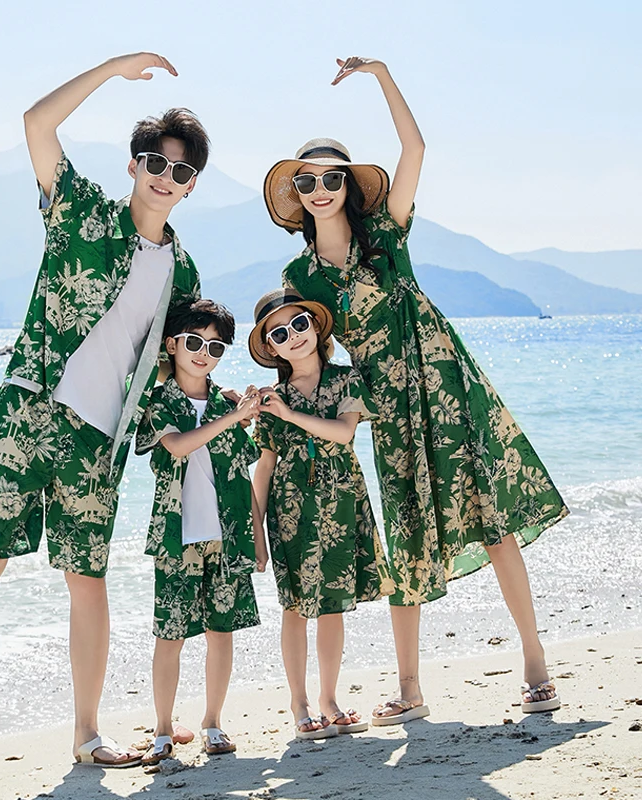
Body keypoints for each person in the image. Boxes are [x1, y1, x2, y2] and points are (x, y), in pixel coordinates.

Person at [0, 52, 210, 793]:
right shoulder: (80, 209)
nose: (163, 177)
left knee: (89, 582)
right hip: (27, 413)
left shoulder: (183, 273)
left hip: (95, 442)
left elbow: (180, 368)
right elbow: (35, 122)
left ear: (192, 184)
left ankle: (86, 733)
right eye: (152, 161)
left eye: (178, 170)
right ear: (135, 164)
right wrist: (113, 71)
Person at [261, 57, 569, 726]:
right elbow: (301, 347)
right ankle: (409, 688)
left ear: (348, 185)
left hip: (445, 381)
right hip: (386, 402)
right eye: (307, 180)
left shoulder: (385, 237)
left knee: (491, 519)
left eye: (331, 178)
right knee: (405, 534)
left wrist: (381, 75)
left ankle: (536, 662)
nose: (319, 189)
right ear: (297, 192)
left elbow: (416, 148)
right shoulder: (299, 273)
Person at [249, 289, 394, 739]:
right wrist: (256, 531)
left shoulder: (346, 380)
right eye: (279, 332)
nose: (293, 336)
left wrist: (291, 415)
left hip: (342, 505)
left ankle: (329, 698)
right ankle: (299, 703)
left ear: (315, 327)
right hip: (290, 513)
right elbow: (265, 466)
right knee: (294, 608)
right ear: (270, 347)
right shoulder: (271, 400)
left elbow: (343, 434)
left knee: (333, 607)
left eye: (299, 324)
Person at [135, 299, 267, 764]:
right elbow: (176, 447)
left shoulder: (224, 401)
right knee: (169, 636)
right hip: (177, 538)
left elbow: (244, 475)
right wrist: (232, 416)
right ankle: (163, 729)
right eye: (193, 342)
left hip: (227, 537)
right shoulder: (159, 404)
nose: (203, 353)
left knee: (220, 632)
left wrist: (259, 537)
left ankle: (213, 722)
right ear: (172, 344)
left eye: (215, 346)